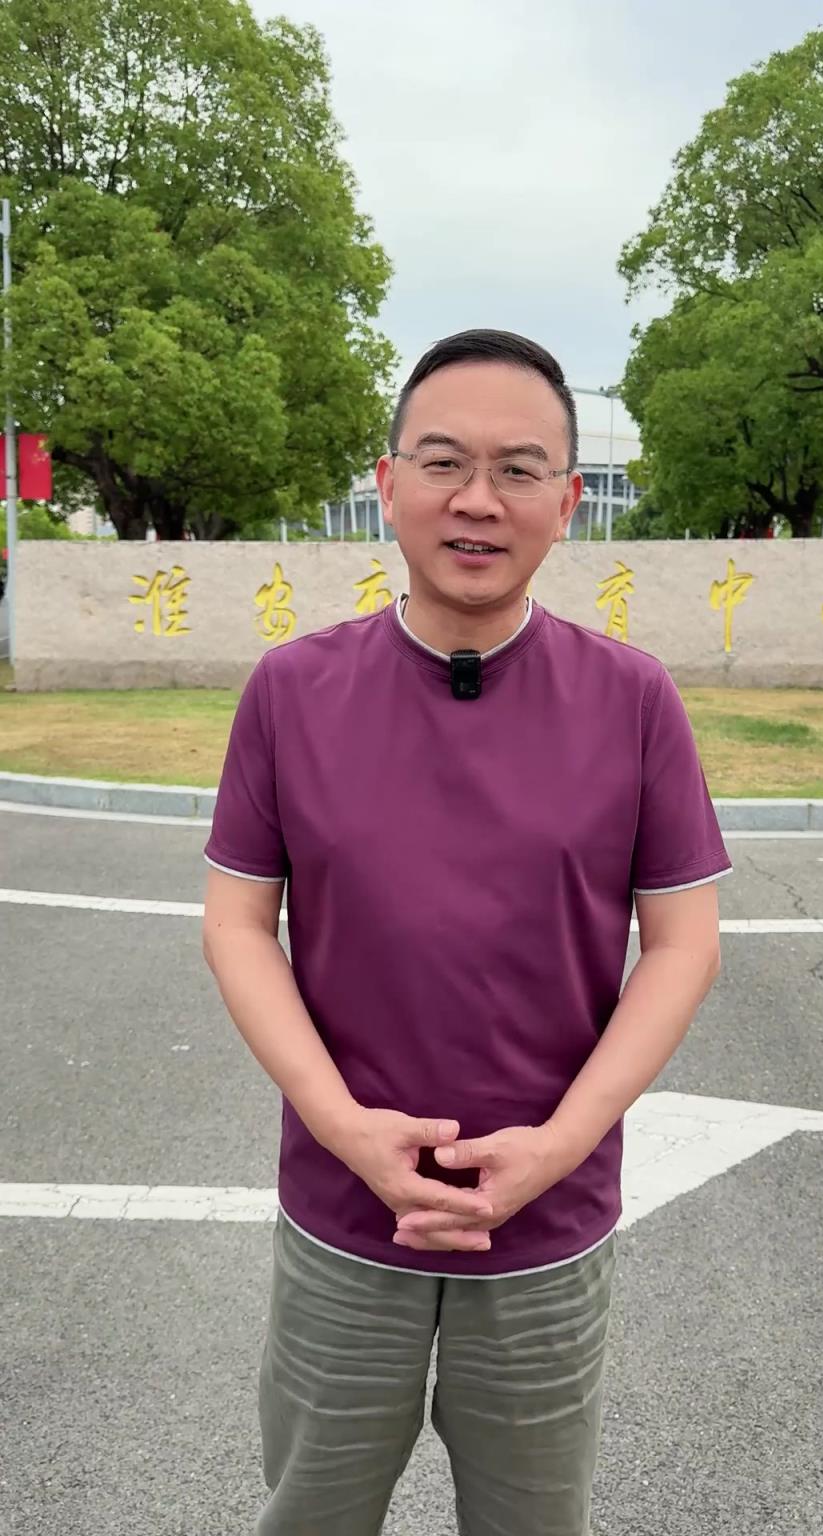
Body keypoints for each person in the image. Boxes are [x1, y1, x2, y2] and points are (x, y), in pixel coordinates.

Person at [202, 329, 731, 1536]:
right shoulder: (291, 690)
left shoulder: (633, 699)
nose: (477, 500)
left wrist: (556, 1148)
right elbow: (239, 924)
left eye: (518, 469)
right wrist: (344, 1129)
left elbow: (684, 945)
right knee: (312, 1511)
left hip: (548, 1227)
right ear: (388, 484)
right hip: (344, 1217)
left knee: (534, 1519)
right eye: (443, 463)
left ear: (568, 502)